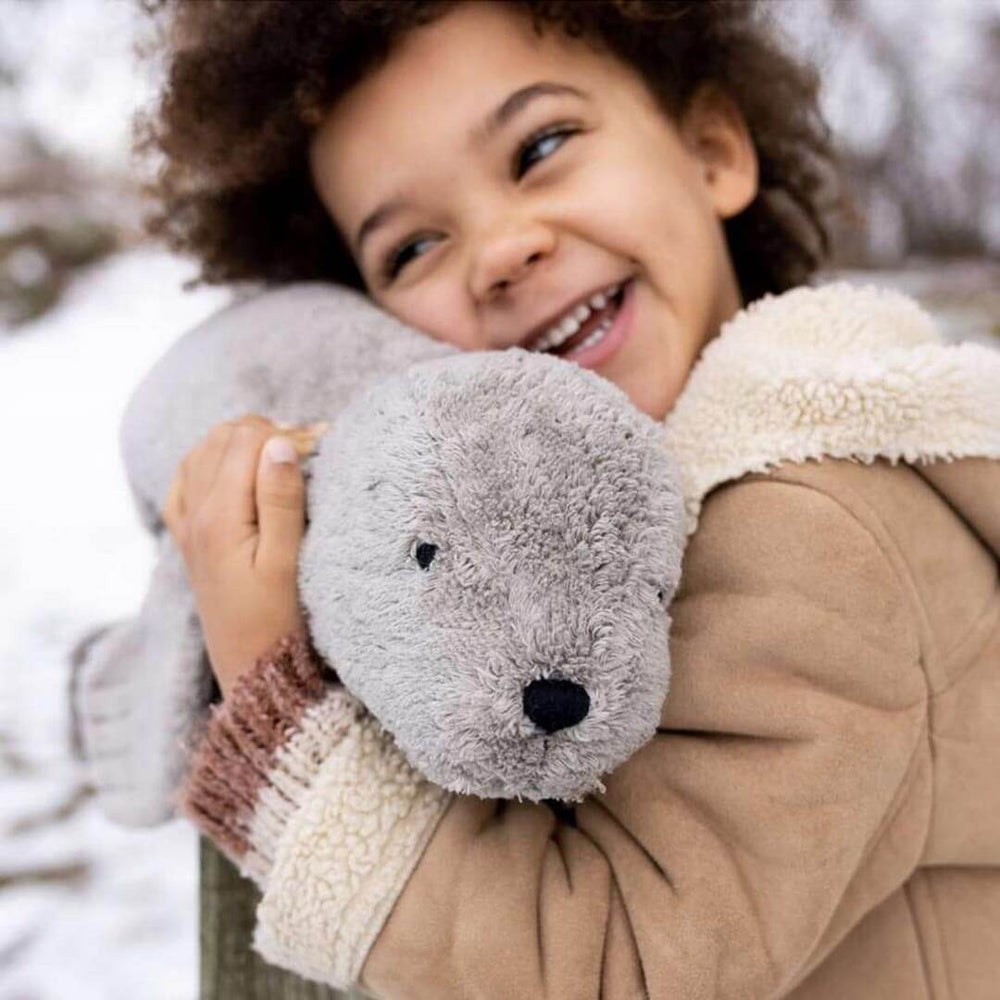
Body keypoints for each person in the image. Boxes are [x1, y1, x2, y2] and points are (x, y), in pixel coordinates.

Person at [146, 2, 1000, 997]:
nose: (500, 250)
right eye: (411, 249)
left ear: (713, 150)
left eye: (541, 146)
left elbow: (619, 966)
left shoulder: (817, 522)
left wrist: (278, 719)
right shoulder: (601, 538)